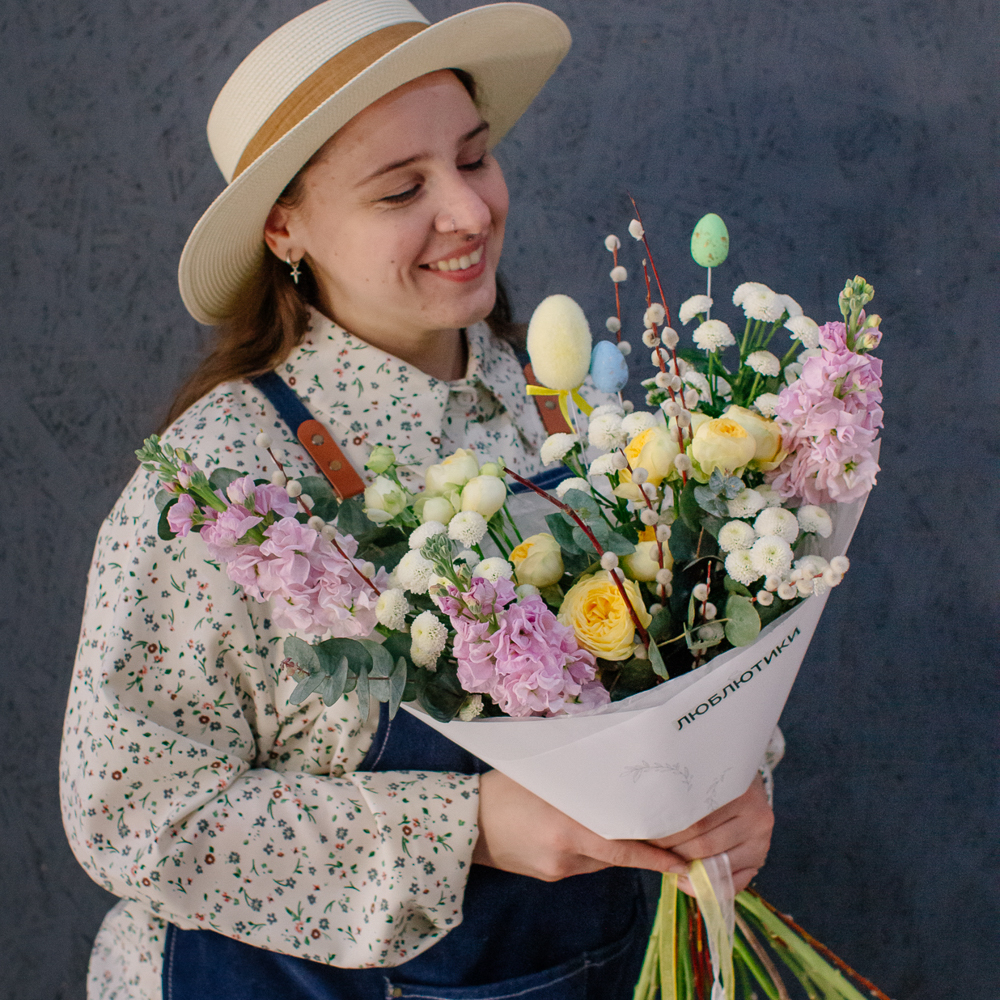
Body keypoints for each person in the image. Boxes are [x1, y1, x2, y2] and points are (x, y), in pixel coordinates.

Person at [60, 2, 776, 997]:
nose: (471, 211)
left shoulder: (560, 408)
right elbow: (136, 814)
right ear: (284, 229)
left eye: (473, 158)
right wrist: (473, 826)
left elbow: (675, 666)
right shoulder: (220, 487)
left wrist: (729, 784)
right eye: (401, 188)